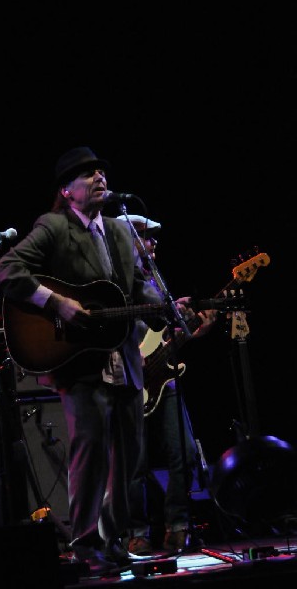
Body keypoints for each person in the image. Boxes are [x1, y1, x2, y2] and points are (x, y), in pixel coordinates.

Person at [0, 146, 199, 577]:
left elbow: (136, 289)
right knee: (91, 450)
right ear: (67, 191)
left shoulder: (122, 233)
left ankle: (114, 539)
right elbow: (6, 270)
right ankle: (86, 541)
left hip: (123, 357)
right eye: (86, 174)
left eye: (100, 171)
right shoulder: (54, 227)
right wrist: (59, 304)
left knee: (129, 454)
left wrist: (164, 305)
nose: (98, 176)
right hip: (79, 362)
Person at [116, 214, 216, 557]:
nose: (153, 242)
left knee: (185, 454)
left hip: (164, 377)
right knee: (135, 464)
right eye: (145, 235)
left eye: (153, 237)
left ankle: (178, 526)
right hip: (129, 378)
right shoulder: (114, 278)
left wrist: (192, 331)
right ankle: (138, 531)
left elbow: (164, 335)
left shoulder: (155, 279)